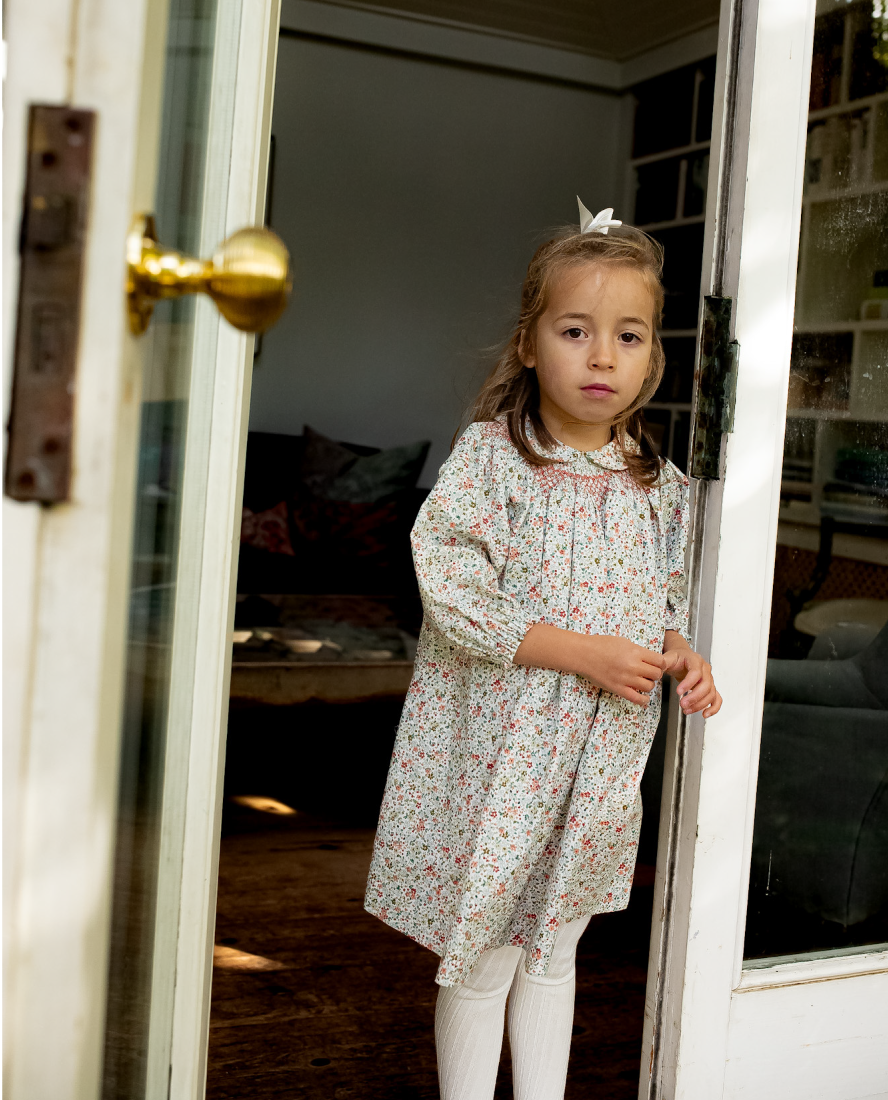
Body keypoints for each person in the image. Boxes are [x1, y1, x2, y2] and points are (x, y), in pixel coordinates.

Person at [364, 201, 722, 1100]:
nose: (603, 356)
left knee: (556, 947)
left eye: (629, 335)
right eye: (577, 330)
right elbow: (450, 589)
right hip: (504, 758)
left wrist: (682, 651)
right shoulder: (495, 461)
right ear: (529, 344)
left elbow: (662, 600)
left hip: (598, 763)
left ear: (653, 358)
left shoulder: (659, 487)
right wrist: (581, 653)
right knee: (483, 951)